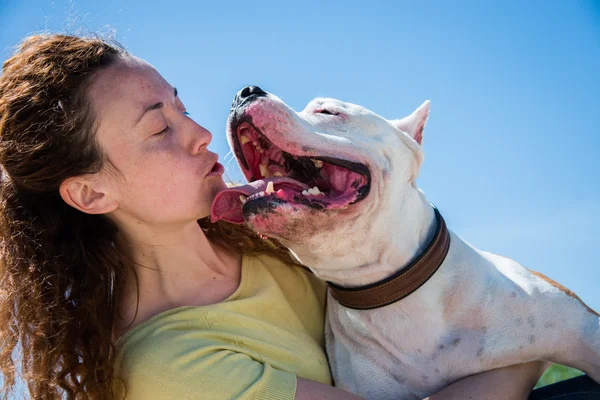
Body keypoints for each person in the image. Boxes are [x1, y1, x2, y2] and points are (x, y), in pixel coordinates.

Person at [0, 33, 587, 400]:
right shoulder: (169, 368)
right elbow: (506, 333)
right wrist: (533, 337)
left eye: (182, 106)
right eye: (160, 129)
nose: (204, 134)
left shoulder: (275, 243)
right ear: (92, 194)